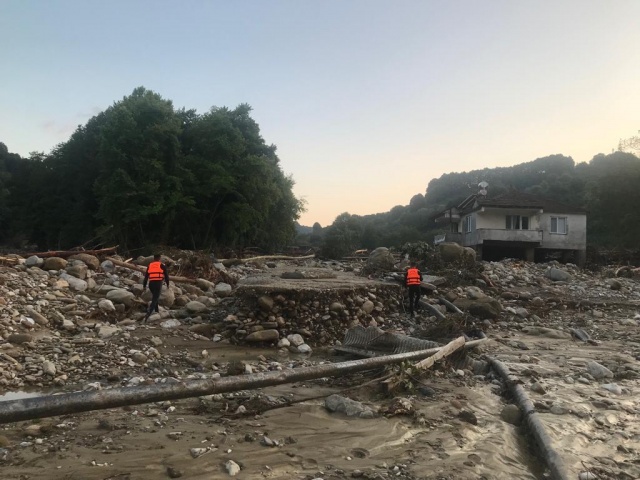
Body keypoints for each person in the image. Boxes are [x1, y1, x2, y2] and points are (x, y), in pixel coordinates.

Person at [142, 254, 170, 322]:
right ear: (159, 258)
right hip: (158, 283)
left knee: (155, 297)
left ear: (154, 258)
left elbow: (146, 277)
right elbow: (166, 276)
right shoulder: (162, 265)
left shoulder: (150, 265)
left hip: (151, 284)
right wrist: (168, 284)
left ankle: (156, 311)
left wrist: (144, 286)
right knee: (155, 299)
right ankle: (148, 314)